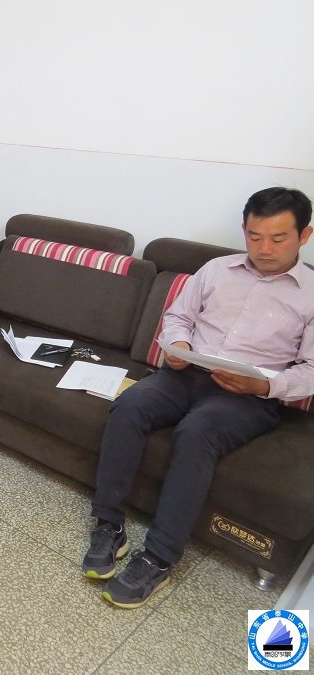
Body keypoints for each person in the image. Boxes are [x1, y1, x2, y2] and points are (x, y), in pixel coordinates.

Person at [82, 187, 314, 608]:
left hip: (248, 395)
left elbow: (311, 370)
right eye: (254, 235)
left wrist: (264, 386)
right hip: (185, 374)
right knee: (130, 405)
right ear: (244, 230)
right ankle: (108, 524)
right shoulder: (216, 270)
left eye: (278, 238)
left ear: (304, 235)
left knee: (197, 432)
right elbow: (178, 317)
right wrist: (180, 345)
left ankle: (158, 557)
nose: (264, 248)